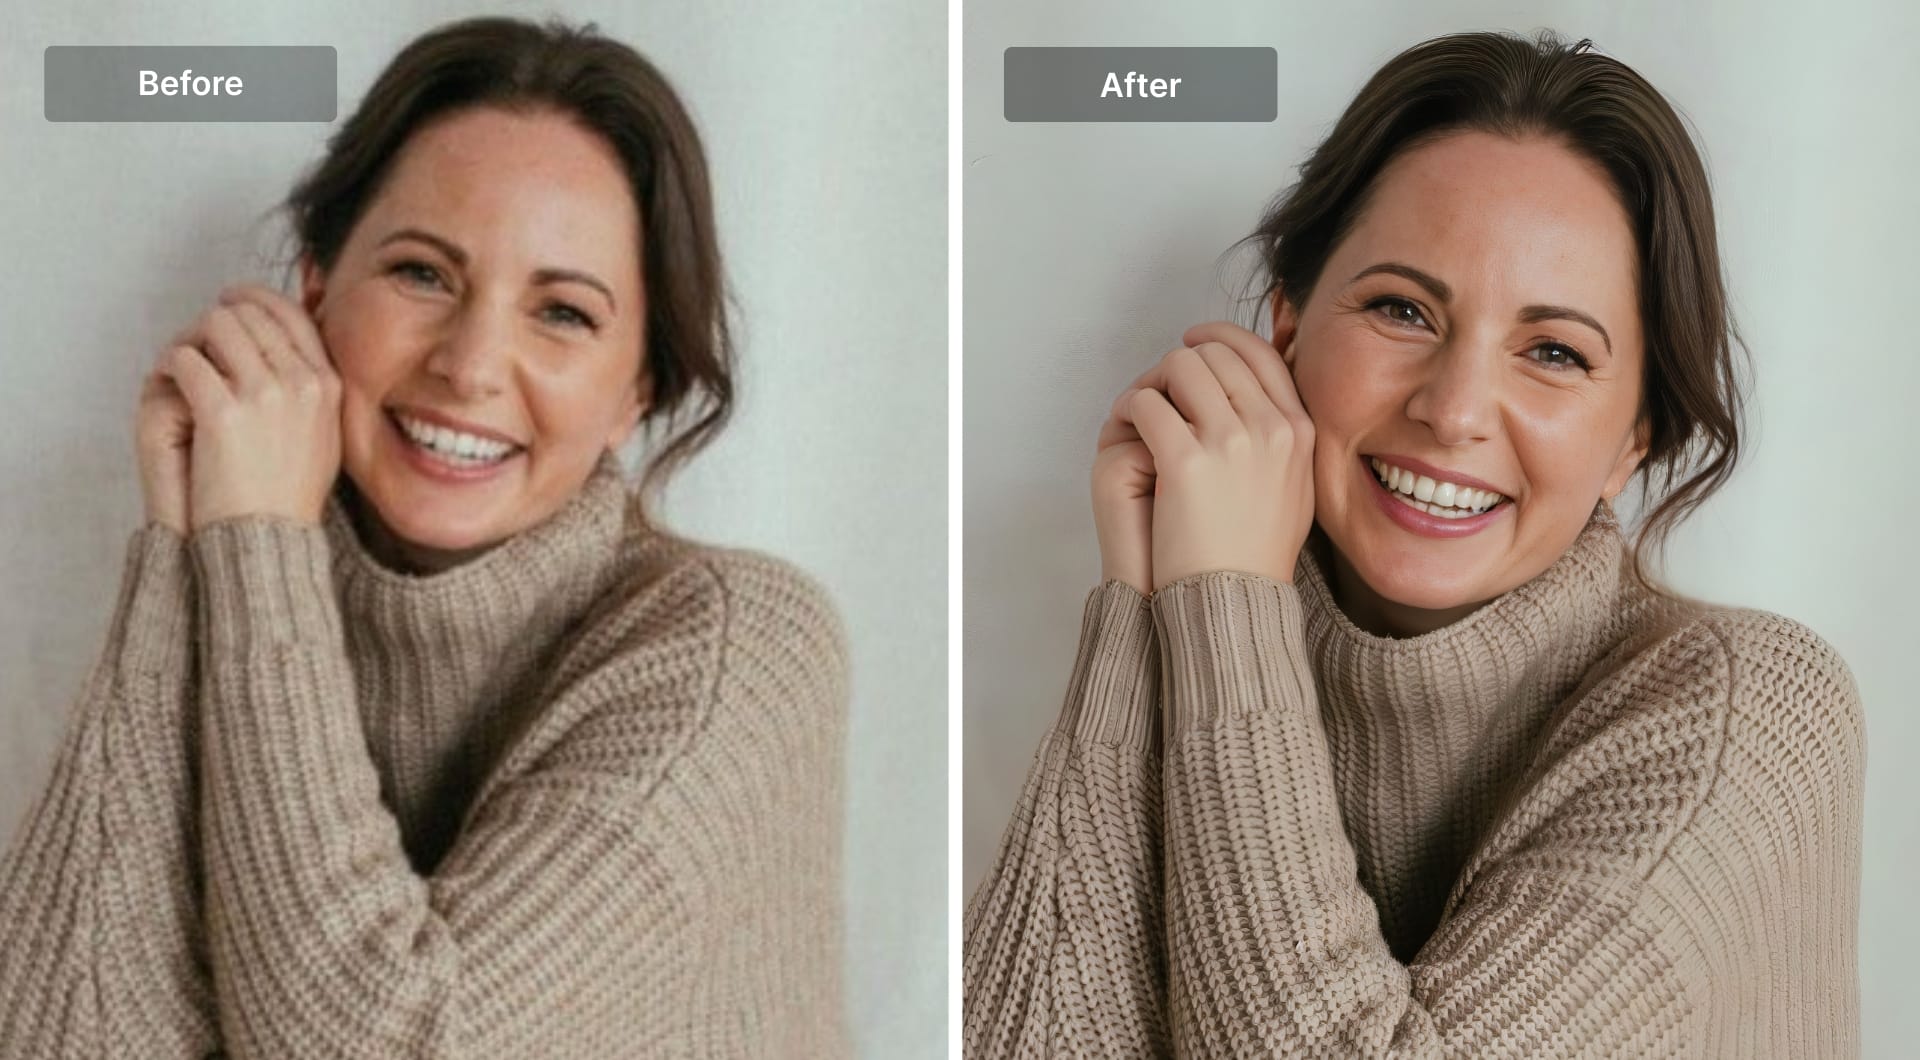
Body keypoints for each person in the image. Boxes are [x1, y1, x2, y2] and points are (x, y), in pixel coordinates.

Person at [964, 30, 1863, 1058]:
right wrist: (1140, 601)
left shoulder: (1747, 716)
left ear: (1633, 440)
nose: (1455, 408)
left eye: (1555, 352)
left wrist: (1218, 598)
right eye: (1402, 308)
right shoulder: (1205, 639)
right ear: (1286, 332)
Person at [0, 16, 849, 1058]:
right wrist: (188, 543)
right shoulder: (230, 563)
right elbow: (52, 1029)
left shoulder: (740, 651)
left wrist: (259, 541)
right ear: (314, 292)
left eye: (565, 314)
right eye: (422, 275)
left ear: (638, 391)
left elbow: (389, 1045)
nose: (471, 363)